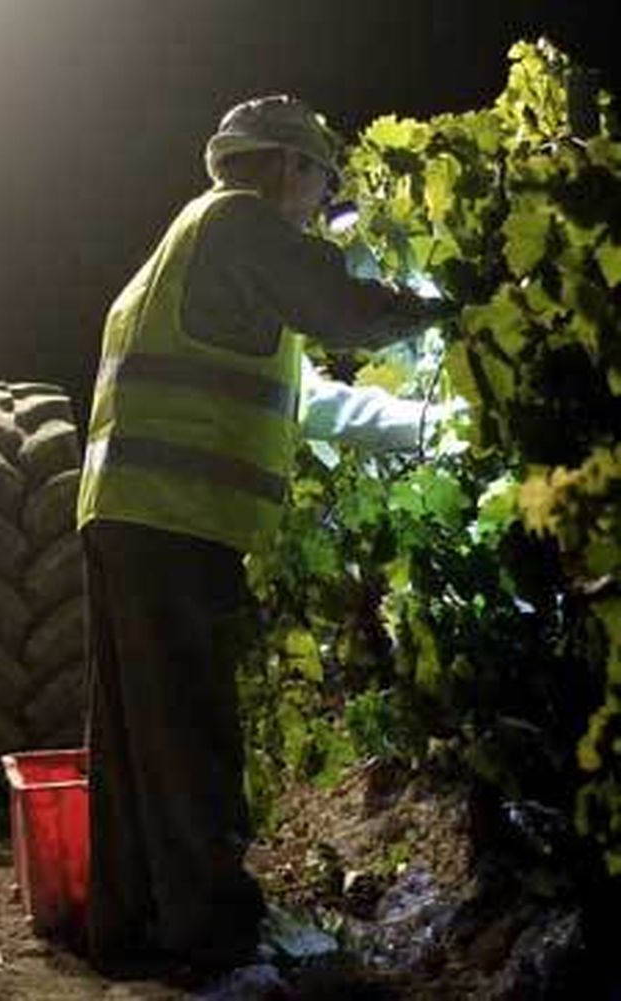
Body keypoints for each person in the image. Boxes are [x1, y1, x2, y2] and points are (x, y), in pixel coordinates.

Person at [74, 94, 454, 980]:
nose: (322, 205)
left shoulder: (198, 251)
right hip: (176, 524)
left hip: (132, 517)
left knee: (135, 744)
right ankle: (213, 942)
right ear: (288, 164)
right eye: (322, 181)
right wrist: (446, 308)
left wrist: (428, 424)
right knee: (191, 736)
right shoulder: (240, 222)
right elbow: (346, 309)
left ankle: (127, 930)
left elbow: (306, 403)